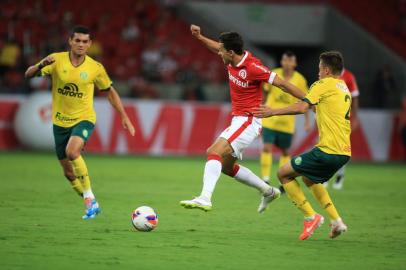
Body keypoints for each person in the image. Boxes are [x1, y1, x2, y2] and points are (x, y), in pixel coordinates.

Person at [180, 25, 306, 212]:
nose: (219, 54)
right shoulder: (231, 58)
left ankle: (205, 198)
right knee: (226, 167)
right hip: (238, 120)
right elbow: (216, 47)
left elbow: (281, 83)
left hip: (248, 120)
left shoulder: (253, 67)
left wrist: (307, 99)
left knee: (213, 152)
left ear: (231, 52)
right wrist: (200, 37)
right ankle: (268, 191)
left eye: (222, 51)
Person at [24, 26, 135, 220]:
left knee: (72, 151)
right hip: (59, 121)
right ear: (70, 41)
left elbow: (110, 91)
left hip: (84, 118)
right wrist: (41, 64)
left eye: (85, 41)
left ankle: (90, 198)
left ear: (90, 44)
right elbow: (28, 74)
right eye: (78, 41)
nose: (81, 45)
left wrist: (124, 116)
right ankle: (90, 202)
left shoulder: (95, 67)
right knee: (68, 173)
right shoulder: (56, 60)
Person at [254, 51, 351, 240]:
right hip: (344, 153)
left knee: (283, 173)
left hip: (327, 150)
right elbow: (316, 106)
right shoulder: (343, 88)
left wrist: (273, 111)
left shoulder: (322, 84)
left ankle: (310, 216)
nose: (318, 73)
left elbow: (301, 107)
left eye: (320, 69)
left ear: (326, 70)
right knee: (309, 179)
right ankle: (337, 221)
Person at [260, 51, 310, 192]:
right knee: (266, 147)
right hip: (270, 119)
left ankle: (282, 182)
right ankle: (265, 179)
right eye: (285, 60)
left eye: (290, 61)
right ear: (281, 62)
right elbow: (265, 91)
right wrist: (261, 105)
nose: (287, 63)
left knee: (285, 151)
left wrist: (307, 121)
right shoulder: (274, 74)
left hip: (287, 122)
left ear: (295, 63)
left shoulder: (300, 80)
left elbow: (306, 101)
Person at [328, 67, 360, 189]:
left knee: (341, 148)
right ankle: (326, 177)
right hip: (329, 117)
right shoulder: (328, 75)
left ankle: (340, 176)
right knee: (327, 145)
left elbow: (355, 97)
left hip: (343, 119)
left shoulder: (349, 76)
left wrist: (355, 118)